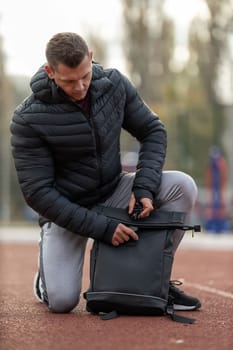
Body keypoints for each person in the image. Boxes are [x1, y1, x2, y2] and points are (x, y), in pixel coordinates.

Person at [10, 32, 201, 313]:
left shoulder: (113, 84)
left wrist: (144, 188)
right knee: (62, 302)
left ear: (91, 58)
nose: (80, 87)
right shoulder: (28, 118)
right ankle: (45, 278)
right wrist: (103, 228)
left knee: (182, 186)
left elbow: (152, 131)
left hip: (112, 190)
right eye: (68, 81)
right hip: (67, 209)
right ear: (50, 72)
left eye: (85, 76)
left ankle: (152, 280)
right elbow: (37, 193)